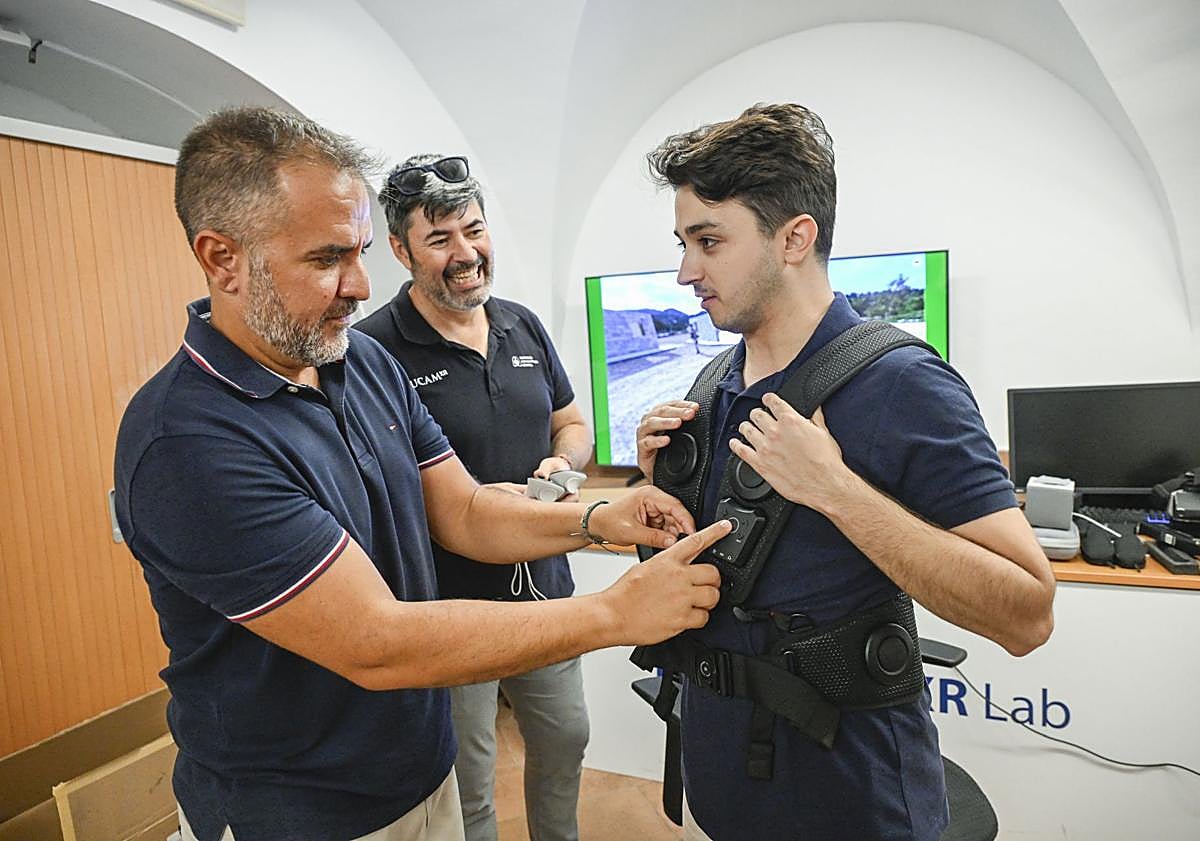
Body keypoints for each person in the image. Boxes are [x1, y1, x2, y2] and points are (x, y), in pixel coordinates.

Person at [113, 106, 728, 841]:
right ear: (222, 259)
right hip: (305, 815)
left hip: (418, 772)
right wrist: (616, 613)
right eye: (327, 258)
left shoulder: (361, 362)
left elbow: (464, 511)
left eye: (361, 252)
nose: (358, 285)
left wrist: (595, 519)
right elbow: (377, 642)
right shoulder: (188, 441)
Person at [634, 103, 1055, 841]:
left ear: (794, 238)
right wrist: (658, 491)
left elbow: (1028, 613)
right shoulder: (712, 385)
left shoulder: (903, 385)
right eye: (683, 243)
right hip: (721, 789)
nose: (685, 272)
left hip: (853, 803)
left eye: (709, 241)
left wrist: (836, 491)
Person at [354, 154, 592, 841]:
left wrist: (562, 462)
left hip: (544, 589)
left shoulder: (522, 325)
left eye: (474, 230)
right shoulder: (373, 350)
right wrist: (470, 501)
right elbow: (376, 487)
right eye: (439, 239)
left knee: (566, 739)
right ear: (399, 250)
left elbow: (573, 424)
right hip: (447, 606)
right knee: (469, 777)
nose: (465, 254)